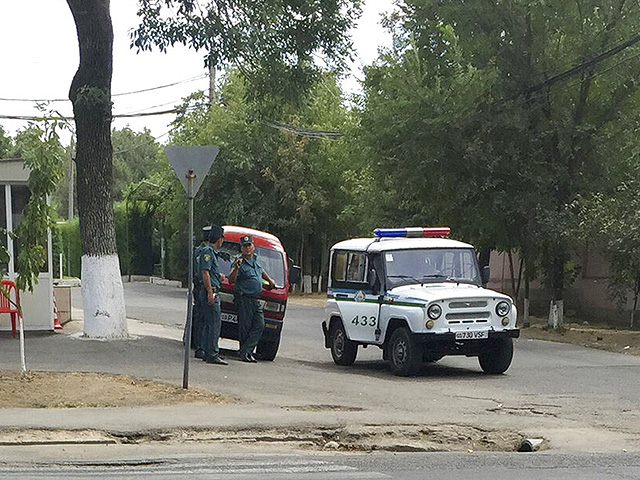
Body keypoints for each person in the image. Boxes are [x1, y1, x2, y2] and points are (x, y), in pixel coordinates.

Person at [228, 234, 276, 363]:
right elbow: (231, 280)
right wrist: (236, 269)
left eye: (249, 245)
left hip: (255, 299)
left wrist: (270, 281)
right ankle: (246, 354)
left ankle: (246, 350)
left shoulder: (255, 259)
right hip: (245, 298)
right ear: (241, 248)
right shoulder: (239, 262)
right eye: (245, 246)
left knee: (260, 325)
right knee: (246, 327)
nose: (247, 248)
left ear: (253, 246)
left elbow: (260, 271)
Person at [197, 225, 228, 365]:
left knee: (210, 323)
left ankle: (207, 351)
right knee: (214, 324)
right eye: (222, 238)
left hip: (211, 289)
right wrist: (210, 292)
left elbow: (210, 272)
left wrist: (218, 276)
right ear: (219, 239)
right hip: (210, 291)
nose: (222, 241)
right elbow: (205, 272)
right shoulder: (208, 252)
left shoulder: (211, 252)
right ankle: (212, 353)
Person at [191, 225, 211, 354]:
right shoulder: (203, 252)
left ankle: (196, 342)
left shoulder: (198, 250)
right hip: (200, 286)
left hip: (198, 286)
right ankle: (199, 345)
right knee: (201, 317)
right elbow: (201, 272)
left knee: (199, 316)